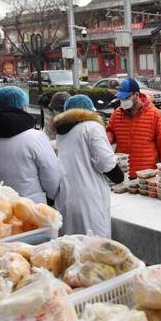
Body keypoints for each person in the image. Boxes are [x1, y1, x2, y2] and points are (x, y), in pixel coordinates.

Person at [0, 86, 61, 203]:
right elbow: (51, 176)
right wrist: (50, 198)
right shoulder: (36, 138)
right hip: (30, 210)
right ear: (23, 106)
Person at [54, 95, 124, 238]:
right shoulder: (92, 127)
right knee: (94, 249)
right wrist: (118, 176)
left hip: (65, 197)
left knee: (71, 248)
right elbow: (105, 162)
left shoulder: (61, 133)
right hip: (89, 198)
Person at [106, 78, 161, 178]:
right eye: (121, 98)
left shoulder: (155, 115)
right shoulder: (117, 114)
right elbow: (110, 131)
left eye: (126, 98)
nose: (123, 101)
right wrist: (107, 138)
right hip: (123, 174)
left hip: (146, 176)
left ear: (136, 95)